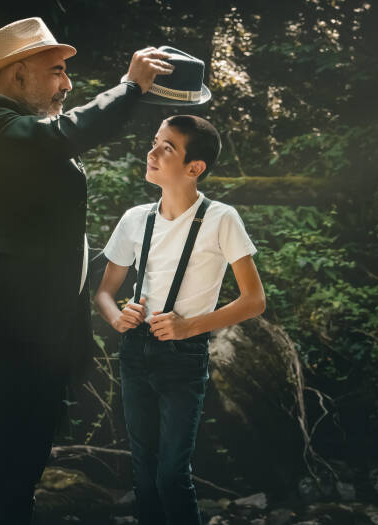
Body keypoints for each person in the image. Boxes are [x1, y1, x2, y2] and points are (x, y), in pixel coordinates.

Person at [0, 17, 173, 525]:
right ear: (17, 75)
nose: (67, 83)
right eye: (57, 71)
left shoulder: (33, 136)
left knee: (20, 476)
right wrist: (130, 87)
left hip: (45, 341)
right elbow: (67, 132)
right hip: (0, 335)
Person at [94, 115, 266, 525]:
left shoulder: (222, 219)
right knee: (145, 474)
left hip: (185, 358)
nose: (151, 153)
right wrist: (118, 316)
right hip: (135, 353)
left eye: (166, 147)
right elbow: (103, 291)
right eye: (154, 142)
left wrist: (191, 326)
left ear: (195, 168)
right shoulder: (136, 218)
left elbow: (254, 301)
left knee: (172, 474)